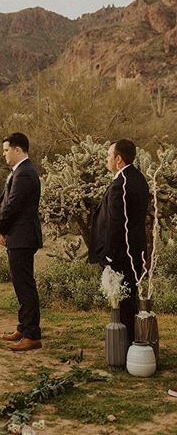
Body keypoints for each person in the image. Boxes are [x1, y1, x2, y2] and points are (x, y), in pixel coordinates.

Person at [89, 139, 149, 343]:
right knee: (128, 300)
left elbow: (117, 223)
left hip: (123, 255)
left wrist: (108, 255)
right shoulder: (139, 178)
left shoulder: (121, 184)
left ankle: (128, 346)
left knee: (123, 302)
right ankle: (132, 343)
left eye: (109, 155)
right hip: (136, 251)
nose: (107, 159)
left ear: (119, 159)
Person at [0, 132, 43, 352]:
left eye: (6, 150)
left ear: (17, 150)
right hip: (18, 235)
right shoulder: (21, 171)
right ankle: (23, 327)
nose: (4, 155)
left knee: (25, 285)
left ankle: (31, 334)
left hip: (22, 236)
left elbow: (13, 205)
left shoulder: (24, 173)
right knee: (20, 284)